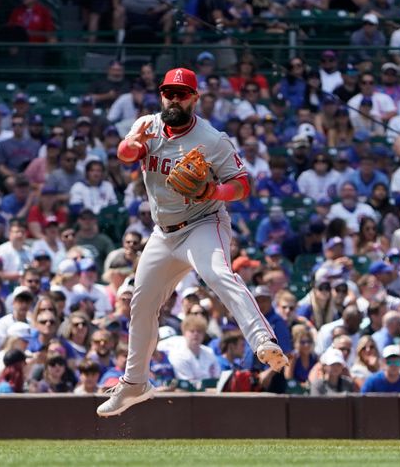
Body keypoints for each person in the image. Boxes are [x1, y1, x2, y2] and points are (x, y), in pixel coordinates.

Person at [97, 67, 287, 418]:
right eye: (169, 92)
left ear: (194, 98)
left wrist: (214, 190)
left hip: (203, 222)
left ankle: (263, 340)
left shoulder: (212, 139)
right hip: (163, 231)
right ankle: (135, 384)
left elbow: (243, 184)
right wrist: (133, 143)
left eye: (182, 93)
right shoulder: (149, 125)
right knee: (141, 304)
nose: (174, 98)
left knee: (218, 274)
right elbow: (125, 154)